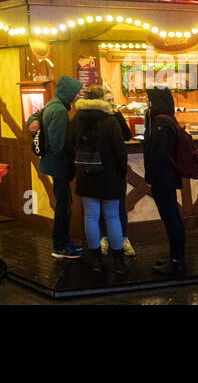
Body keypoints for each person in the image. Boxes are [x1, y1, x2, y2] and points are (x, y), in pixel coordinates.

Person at [66, 86, 129, 275]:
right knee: (112, 216)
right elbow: (120, 151)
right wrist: (121, 173)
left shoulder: (76, 119)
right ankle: (118, 261)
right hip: (109, 175)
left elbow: (69, 147)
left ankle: (96, 260)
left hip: (86, 175)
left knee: (91, 217)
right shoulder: (109, 120)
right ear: (102, 99)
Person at [30, 75, 84, 260]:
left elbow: (37, 117)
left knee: (63, 204)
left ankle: (61, 243)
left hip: (52, 163)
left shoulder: (53, 104)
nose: (78, 96)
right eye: (77, 92)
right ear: (69, 92)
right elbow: (58, 143)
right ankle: (61, 245)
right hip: (59, 165)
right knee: (63, 206)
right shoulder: (60, 111)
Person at [144, 86, 186, 277]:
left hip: (163, 177)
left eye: (150, 101)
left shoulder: (160, 122)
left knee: (171, 218)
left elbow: (157, 154)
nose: (148, 104)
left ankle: (176, 260)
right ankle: (175, 256)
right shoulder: (167, 119)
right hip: (168, 176)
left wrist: (150, 179)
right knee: (172, 217)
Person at [96, 86, 134, 259]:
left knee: (120, 205)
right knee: (103, 206)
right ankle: (104, 238)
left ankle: (124, 238)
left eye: (112, 100)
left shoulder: (116, 117)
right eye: (108, 100)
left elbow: (127, 136)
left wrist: (118, 115)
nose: (112, 103)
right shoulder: (97, 119)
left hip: (117, 169)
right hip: (102, 168)